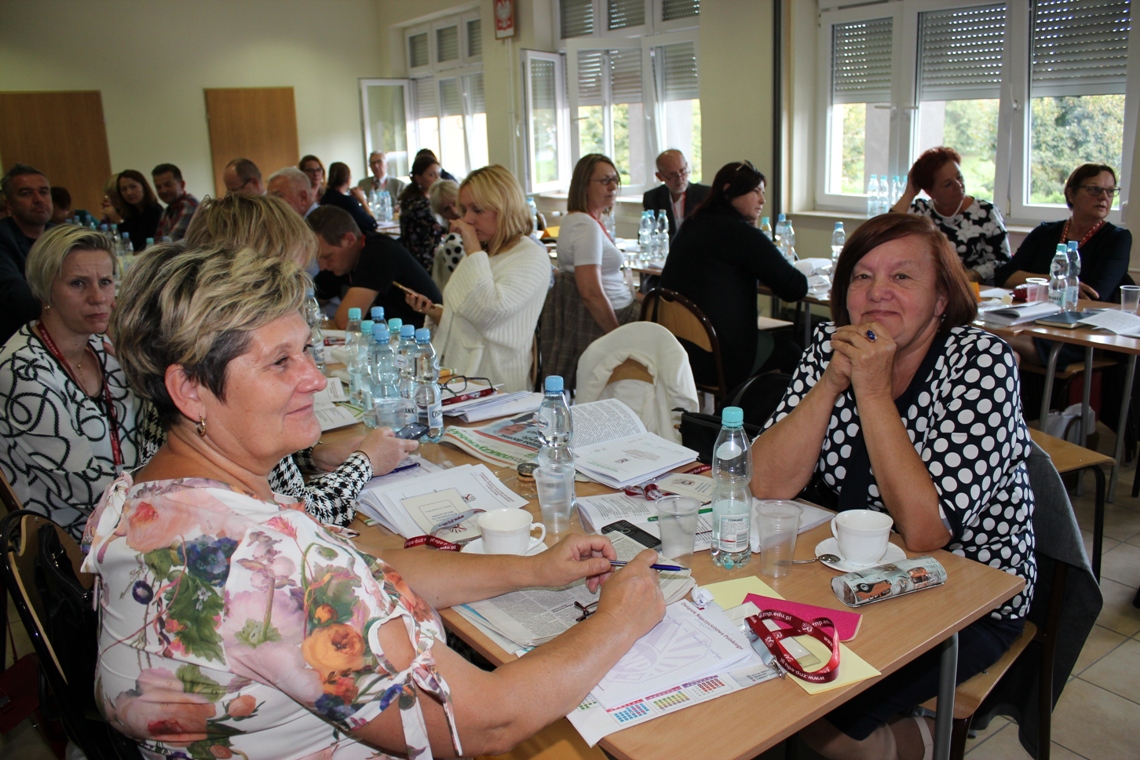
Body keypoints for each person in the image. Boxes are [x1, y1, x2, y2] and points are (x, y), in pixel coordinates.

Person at [83, 242, 665, 759]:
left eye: (305, 350)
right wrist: (618, 621)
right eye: (281, 361)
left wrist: (532, 569)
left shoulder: (148, 498)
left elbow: (364, 568)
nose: (314, 378)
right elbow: (489, 722)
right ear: (189, 390)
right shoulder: (265, 561)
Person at [752, 214, 1035, 760]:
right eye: (862, 276)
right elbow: (765, 484)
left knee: (821, 716)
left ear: (941, 299)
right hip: (852, 576)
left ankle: (923, 744)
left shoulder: (981, 364)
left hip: (964, 596)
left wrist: (874, 391)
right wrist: (833, 381)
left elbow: (928, 532)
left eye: (902, 277)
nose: (877, 291)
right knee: (764, 669)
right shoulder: (829, 348)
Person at [176, 193, 405, 527]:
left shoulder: (202, 352)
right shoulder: (229, 368)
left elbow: (272, 478)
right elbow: (301, 516)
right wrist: (365, 462)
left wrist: (312, 455)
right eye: (281, 360)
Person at [0, 226, 142, 539]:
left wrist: (137, 363)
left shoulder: (104, 348)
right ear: (44, 291)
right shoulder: (21, 371)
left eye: (105, 282)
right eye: (78, 283)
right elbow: (87, 490)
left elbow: (151, 436)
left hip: (131, 518)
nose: (98, 298)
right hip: (69, 544)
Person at [660, 161, 808, 390]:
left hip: (678, 351)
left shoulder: (692, 223)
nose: (762, 200)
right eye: (755, 191)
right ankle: (767, 410)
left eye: (763, 193)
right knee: (792, 351)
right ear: (729, 190)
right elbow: (795, 288)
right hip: (720, 360)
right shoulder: (742, 235)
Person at [403, 165, 550, 393]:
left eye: (477, 210)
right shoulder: (485, 252)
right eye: (464, 209)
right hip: (462, 378)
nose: (467, 219)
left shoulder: (531, 256)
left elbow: (488, 313)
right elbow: (467, 320)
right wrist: (434, 312)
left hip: (495, 384)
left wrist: (472, 250)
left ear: (505, 208)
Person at [539, 154, 636, 389]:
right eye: (604, 181)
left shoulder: (583, 221)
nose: (612, 187)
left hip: (614, 306)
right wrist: (617, 338)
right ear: (583, 185)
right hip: (612, 317)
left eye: (615, 180)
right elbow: (590, 292)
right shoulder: (585, 226)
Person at [996, 163, 1131, 303]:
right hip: (1033, 309)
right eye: (1094, 189)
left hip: (1083, 313)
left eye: (1110, 191)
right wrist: (1053, 281)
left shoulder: (1117, 238)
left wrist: (1036, 283)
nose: (1104, 197)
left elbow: (1094, 294)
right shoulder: (1044, 232)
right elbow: (1005, 277)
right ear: (1071, 194)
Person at [308, 205, 441, 329]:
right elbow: (309, 304)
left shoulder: (378, 252)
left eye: (327, 256)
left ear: (349, 240)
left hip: (423, 337)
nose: (322, 266)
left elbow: (346, 322)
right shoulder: (341, 262)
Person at [890, 146, 1010, 284]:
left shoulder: (986, 212)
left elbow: (1002, 261)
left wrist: (966, 277)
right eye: (947, 184)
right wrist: (909, 193)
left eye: (959, 177)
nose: (958, 185)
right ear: (930, 192)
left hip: (977, 289)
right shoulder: (920, 211)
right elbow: (887, 231)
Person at [0, 163, 54, 344]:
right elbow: (15, 291)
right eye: (26, 193)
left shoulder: (59, 234)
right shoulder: (3, 237)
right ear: (9, 204)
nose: (38, 199)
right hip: (16, 336)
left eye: (44, 192)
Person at [642, 149, 710, 238]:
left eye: (683, 171)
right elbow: (646, 233)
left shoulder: (706, 194)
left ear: (687, 166)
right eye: (672, 175)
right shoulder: (652, 198)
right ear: (660, 176)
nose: (679, 178)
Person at [399, 154, 444, 271]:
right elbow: (441, 228)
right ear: (418, 178)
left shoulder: (422, 198)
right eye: (432, 175)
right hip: (423, 262)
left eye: (439, 174)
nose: (437, 179)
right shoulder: (419, 205)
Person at [102, 170, 163, 251]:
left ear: (143, 187)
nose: (129, 193)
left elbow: (140, 244)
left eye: (133, 187)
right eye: (124, 189)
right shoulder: (132, 211)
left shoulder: (155, 210)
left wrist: (118, 220)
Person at [320, 161, 378, 233]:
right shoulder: (347, 201)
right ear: (348, 180)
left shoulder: (324, 197)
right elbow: (372, 224)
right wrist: (362, 201)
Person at [427, 178, 463, 289]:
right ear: (440, 214)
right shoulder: (452, 241)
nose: (454, 211)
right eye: (446, 209)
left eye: (455, 203)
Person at [152, 163, 200, 241]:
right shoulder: (168, 210)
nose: (163, 190)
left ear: (182, 185)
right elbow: (157, 241)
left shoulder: (189, 205)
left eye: (168, 185)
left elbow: (172, 242)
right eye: (158, 187)